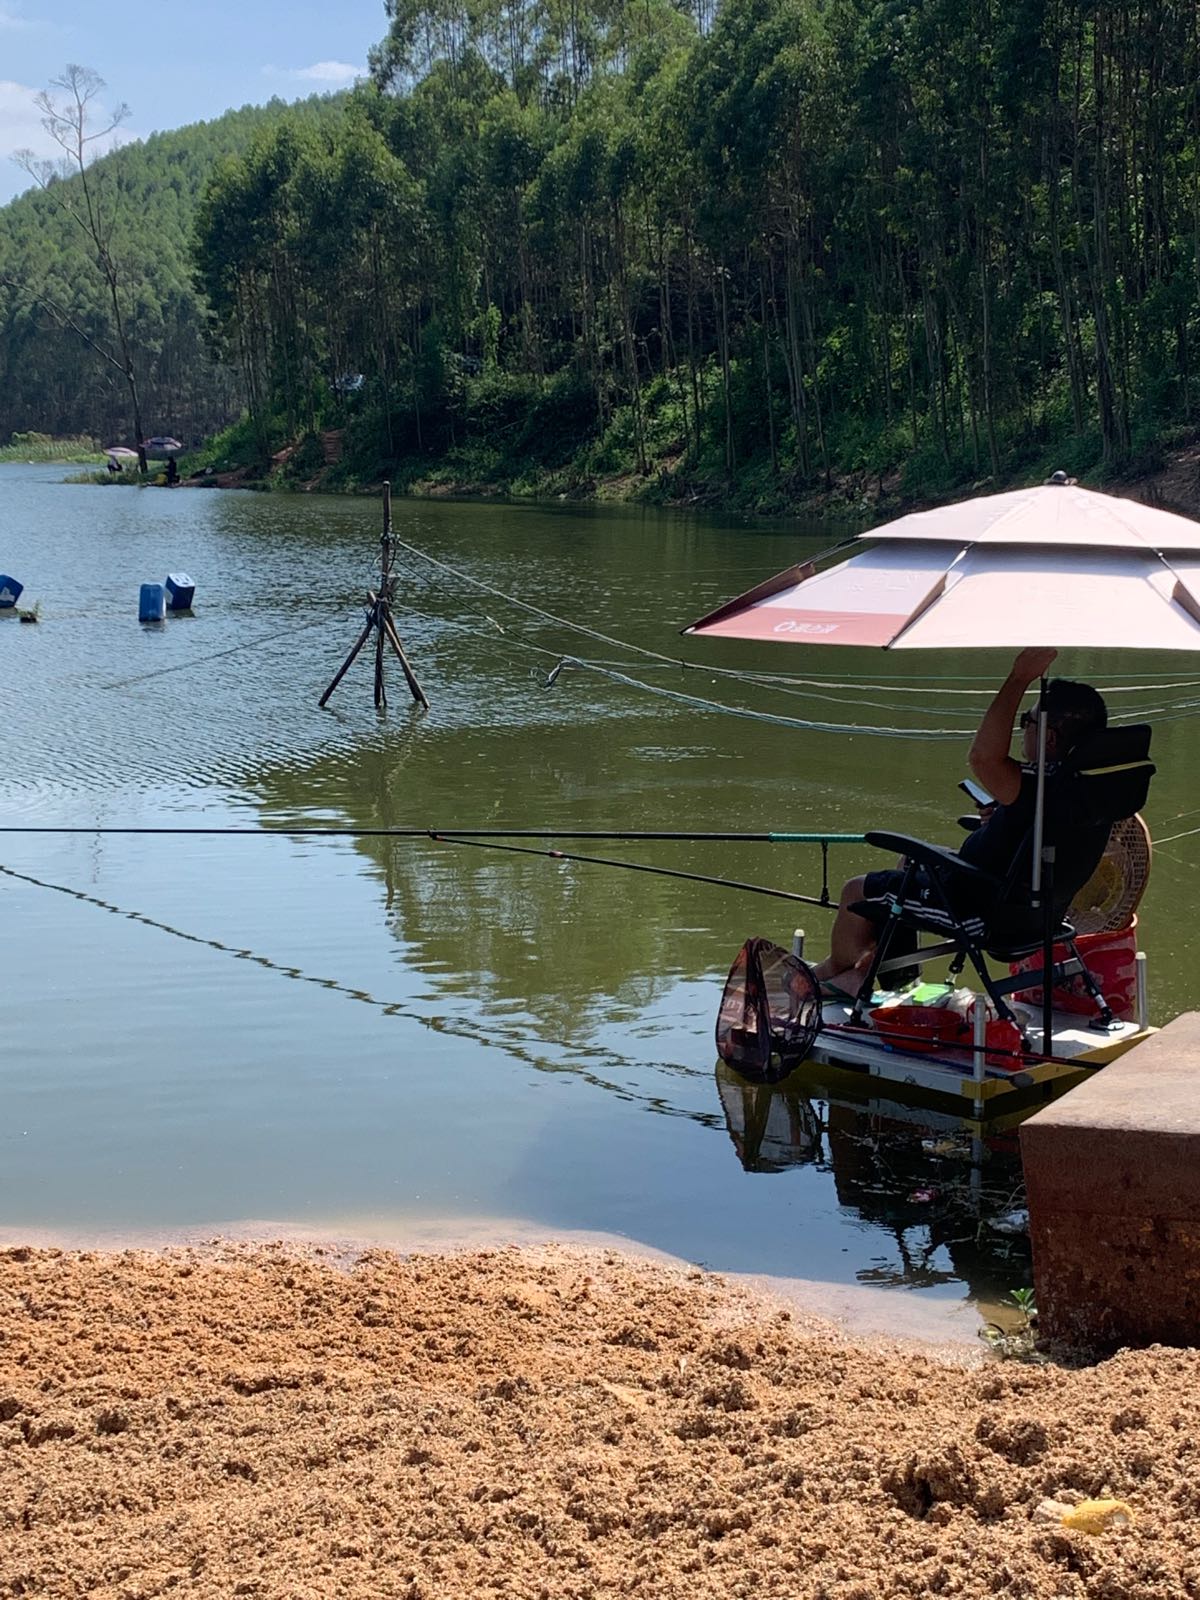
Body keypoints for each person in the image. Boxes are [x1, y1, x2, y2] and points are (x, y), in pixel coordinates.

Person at [811, 647, 1110, 995]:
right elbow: (1039, 839)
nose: (1021, 730)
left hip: (983, 912)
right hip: (1037, 911)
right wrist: (1001, 825)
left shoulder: (1036, 786)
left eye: (1025, 723)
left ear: (1049, 736)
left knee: (856, 890)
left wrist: (1019, 677)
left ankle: (834, 975)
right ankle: (887, 977)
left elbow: (982, 758)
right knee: (909, 863)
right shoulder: (1088, 786)